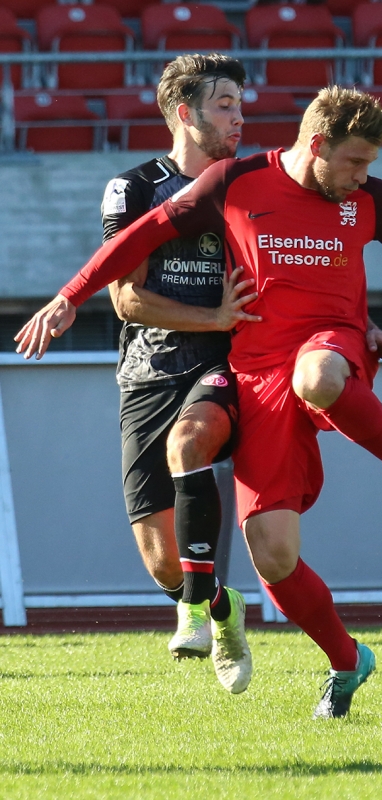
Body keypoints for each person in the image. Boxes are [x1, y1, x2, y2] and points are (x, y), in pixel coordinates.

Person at [16, 86, 382, 719]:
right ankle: (347, 662)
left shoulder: (370, 199)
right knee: (273, 556)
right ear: (316, 144)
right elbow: (143, 236)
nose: (362, 175)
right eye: (354, 161)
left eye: (370, 164)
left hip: (331, 346)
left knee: (317, 376)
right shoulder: (235, 182)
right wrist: (70, 295)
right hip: (255, 379)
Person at [17, 53, 262, 694]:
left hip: (226, 365)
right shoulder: (132, 189)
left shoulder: (251, 185)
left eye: (240, 105)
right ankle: (219, 605)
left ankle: (197, 612)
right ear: (184, 113)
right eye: (225, 106)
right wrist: (213, 315)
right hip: (149, 371)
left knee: (193, 441)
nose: (239, 118)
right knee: (161, 561)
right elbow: (128, 300)